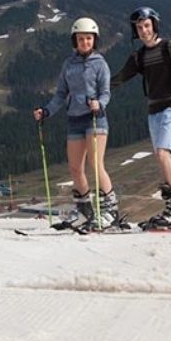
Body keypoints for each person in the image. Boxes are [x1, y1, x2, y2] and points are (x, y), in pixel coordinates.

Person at [111, 6, 171, 228]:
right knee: (161, 157)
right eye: (139, 28)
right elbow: (121, 77)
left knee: (163, 154)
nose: (144, 31)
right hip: (154, 109)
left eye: (147, 26)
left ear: (154, 25)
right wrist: (99, 90)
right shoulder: (139, 57)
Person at [33, 17, 119, 232]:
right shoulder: (68, 64)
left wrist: (99, 104)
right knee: (75, 168)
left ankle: (111, 211)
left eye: (88, 38)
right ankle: (85, 212)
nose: (85, 42)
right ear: (75, 41)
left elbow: (106, 92)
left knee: (95, 164)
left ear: (95, 40)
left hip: (95, 118)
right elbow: (60, 94)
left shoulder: (100, 64)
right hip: (74, 119)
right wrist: (46, 111)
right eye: (81, 39)